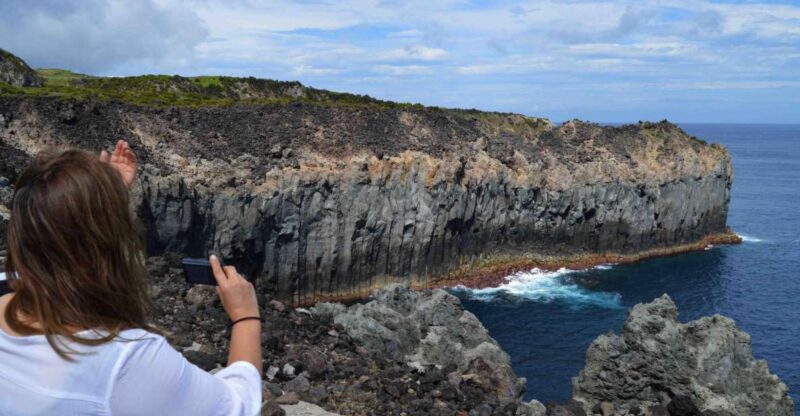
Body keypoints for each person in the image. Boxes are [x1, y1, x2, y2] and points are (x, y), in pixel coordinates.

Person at [0, 141, 263, 415]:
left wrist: (101, 202)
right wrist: (245, 316)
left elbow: (56, 247)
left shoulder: (6, 284)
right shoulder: (126, 360)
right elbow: (239, 406)